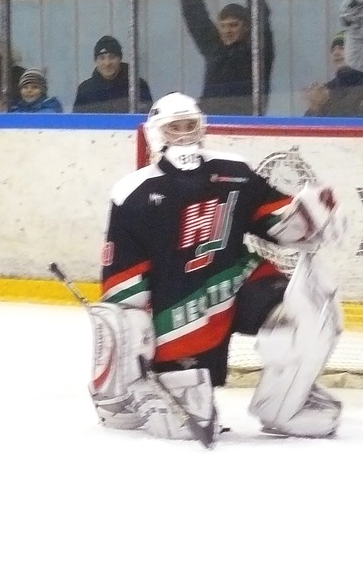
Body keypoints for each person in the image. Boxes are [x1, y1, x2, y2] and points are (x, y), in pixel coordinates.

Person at [86, 91, 345, 443]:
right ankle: (123, 398)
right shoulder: (133, 193)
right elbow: (123, 285)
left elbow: (274, 219)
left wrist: (309, 215)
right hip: (179, 315)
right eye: (174, 128)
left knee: (311, 309)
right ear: (157, 133)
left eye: (189, 126)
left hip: (236, 283)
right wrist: (131, 348)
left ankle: (285, 407)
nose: (183, 135)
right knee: (185, 425)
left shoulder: (232, 171)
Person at [175, 0, 274, 115]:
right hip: (211, 123)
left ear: (247, 27)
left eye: (234, 25)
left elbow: (260, 13)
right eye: (223, 26)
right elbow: (195, 15)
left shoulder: (257, 51)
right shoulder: (216, 49)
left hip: (246, 123)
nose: (227, 31)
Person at [72, 35, 151, 113]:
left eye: (112, 57)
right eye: (102, 58)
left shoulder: (137, 86)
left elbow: (148, 117)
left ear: (120, 59)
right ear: (95, 61)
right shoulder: (85, 90)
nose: (107, 63)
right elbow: (77, 120)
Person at [303, 32, 363, 117]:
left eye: (342, 48)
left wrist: (325, 105)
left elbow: (354, 123)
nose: (336, 53)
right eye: (333, 50)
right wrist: (314, 108)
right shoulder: (327, 90)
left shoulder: (325, 98)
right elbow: (306, 125)